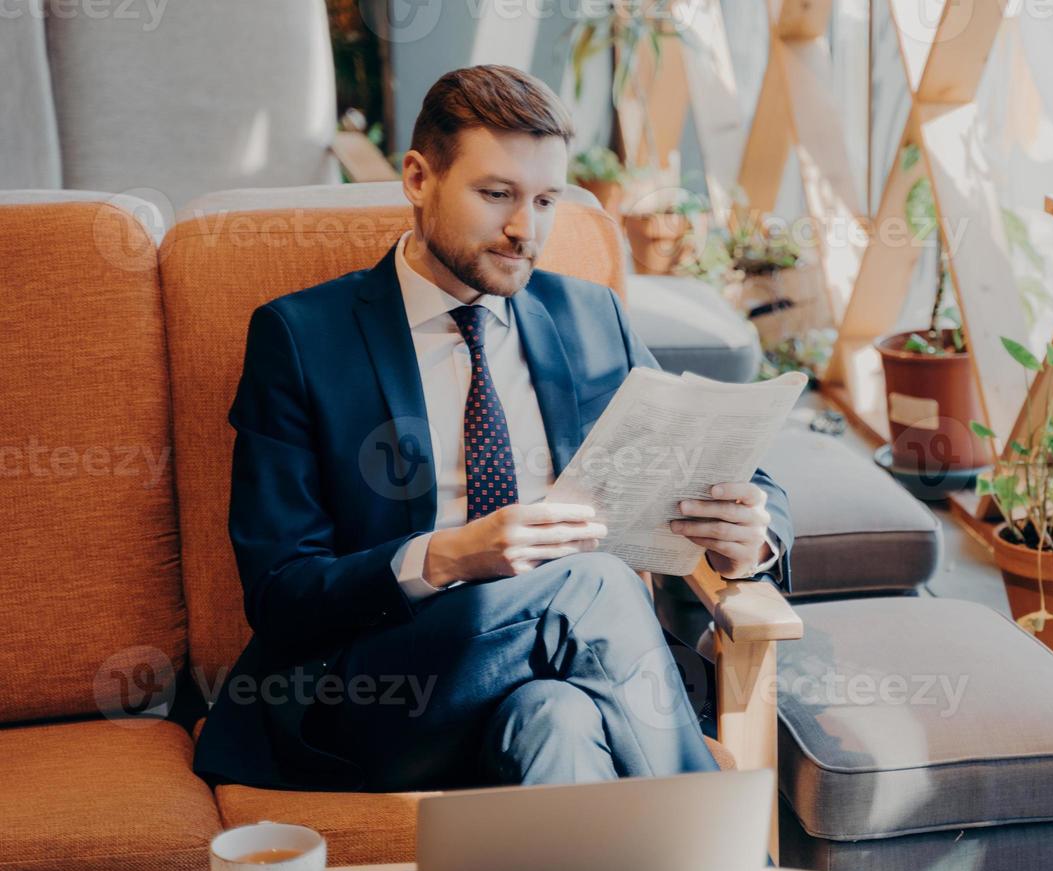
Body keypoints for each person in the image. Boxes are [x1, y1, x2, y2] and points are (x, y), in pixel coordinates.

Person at [192, 65, 792, 793]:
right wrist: (451, 556)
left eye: (545, 200)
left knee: (558, 720)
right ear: (418, 177)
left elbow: (732, 466)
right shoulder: (302, 337)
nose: (524, 229)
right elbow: (281, 592)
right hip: (382, 693)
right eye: (497, 194)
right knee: (594, 587)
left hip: (557, 672)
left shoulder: (586, 318)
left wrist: (749, 536)